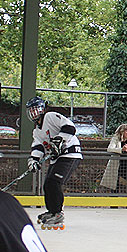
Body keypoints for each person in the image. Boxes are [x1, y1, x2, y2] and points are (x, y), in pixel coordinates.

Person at [26, 96, 82, 229]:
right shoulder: (37, 131)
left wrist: (59, 139)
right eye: (31, 110)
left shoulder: (50, 117)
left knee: (54, 182)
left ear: (42, 109)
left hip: (70, 154)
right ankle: (52, 210)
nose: (34, 113)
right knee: (47, 184)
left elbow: (70, 127)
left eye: (36, 109)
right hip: (57, 157)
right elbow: (38, 146)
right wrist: (34, 159)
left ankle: (58, 213)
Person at [101, 124, 127, 193]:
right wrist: (121, 150)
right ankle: (114, 201)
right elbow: (110, 149)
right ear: (122, 132)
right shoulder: (115, 138)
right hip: (116, 165)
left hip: (126, 165)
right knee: (114, 185)